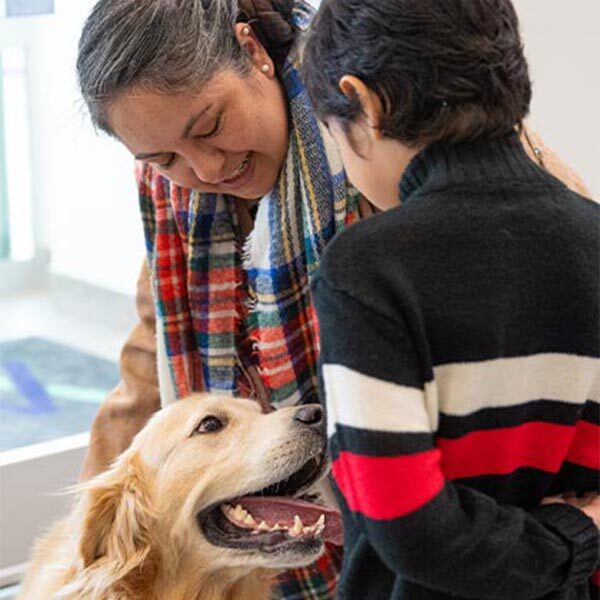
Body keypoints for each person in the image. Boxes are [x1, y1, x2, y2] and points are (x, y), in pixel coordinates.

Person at [76, 0, 593, 597]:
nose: (204, 168)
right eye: (163, 159)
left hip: (458, 544)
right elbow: (150, 367)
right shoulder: (177, 205)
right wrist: (87, 544)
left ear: (251, 52)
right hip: (289, 541)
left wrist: (562, 542)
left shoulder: (397, 135)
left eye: (210, 126)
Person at [302, 0, 600, 598]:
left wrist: (568, 534)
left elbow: (409, 529)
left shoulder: (367, 269)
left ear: (363, 103)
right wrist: (580, 533)